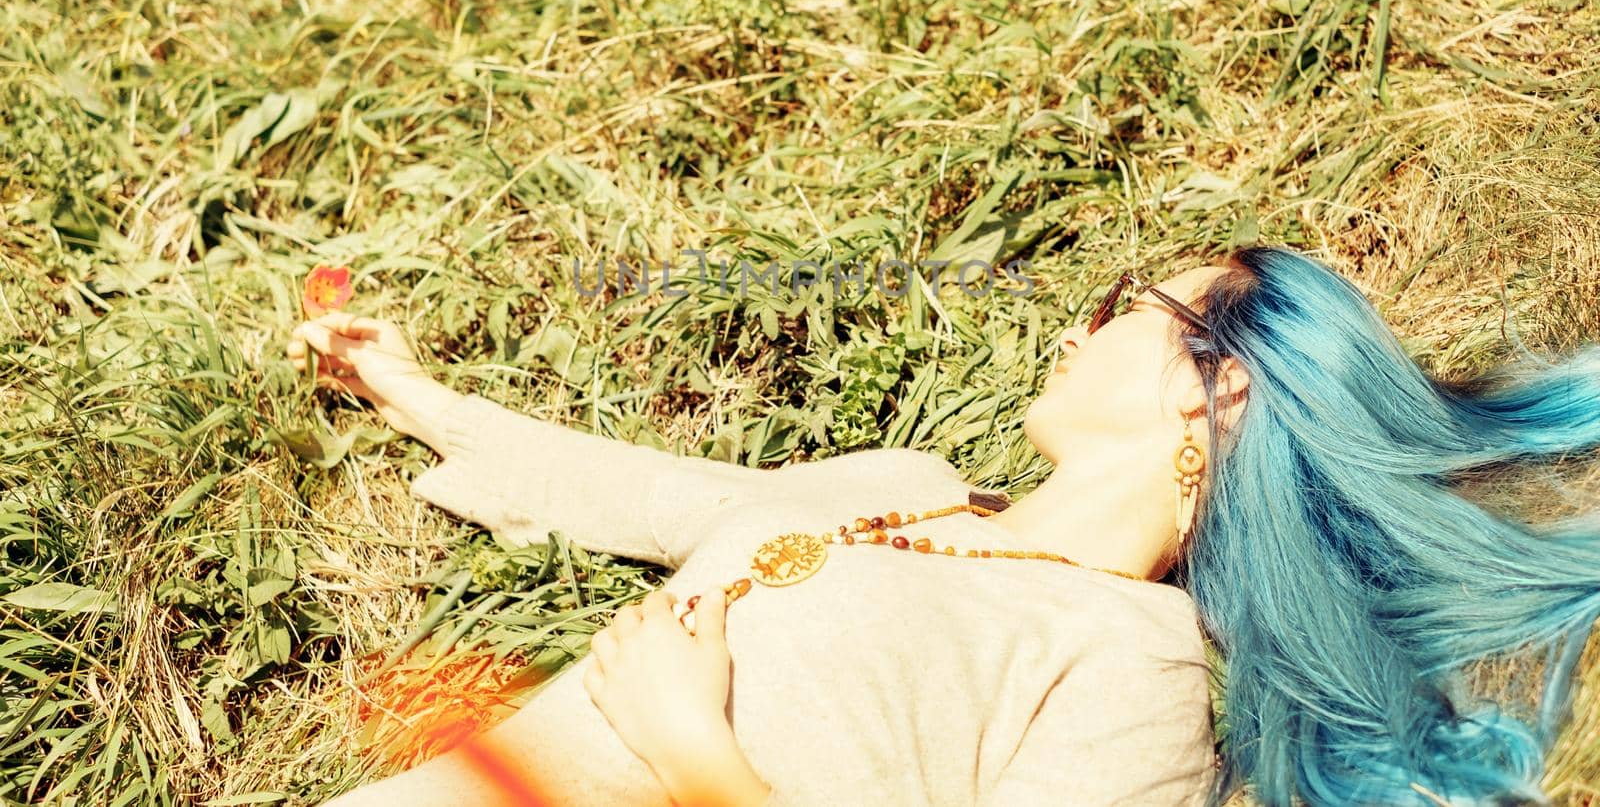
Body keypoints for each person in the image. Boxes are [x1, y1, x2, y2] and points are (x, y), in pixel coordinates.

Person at [287, 245, 1600, 806]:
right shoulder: (900, 485)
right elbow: (645, 492)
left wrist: (700, 760)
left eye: (1123, 299)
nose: (1080, 324)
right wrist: (406, 389)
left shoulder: (1133, 666)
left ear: (1225, 379)